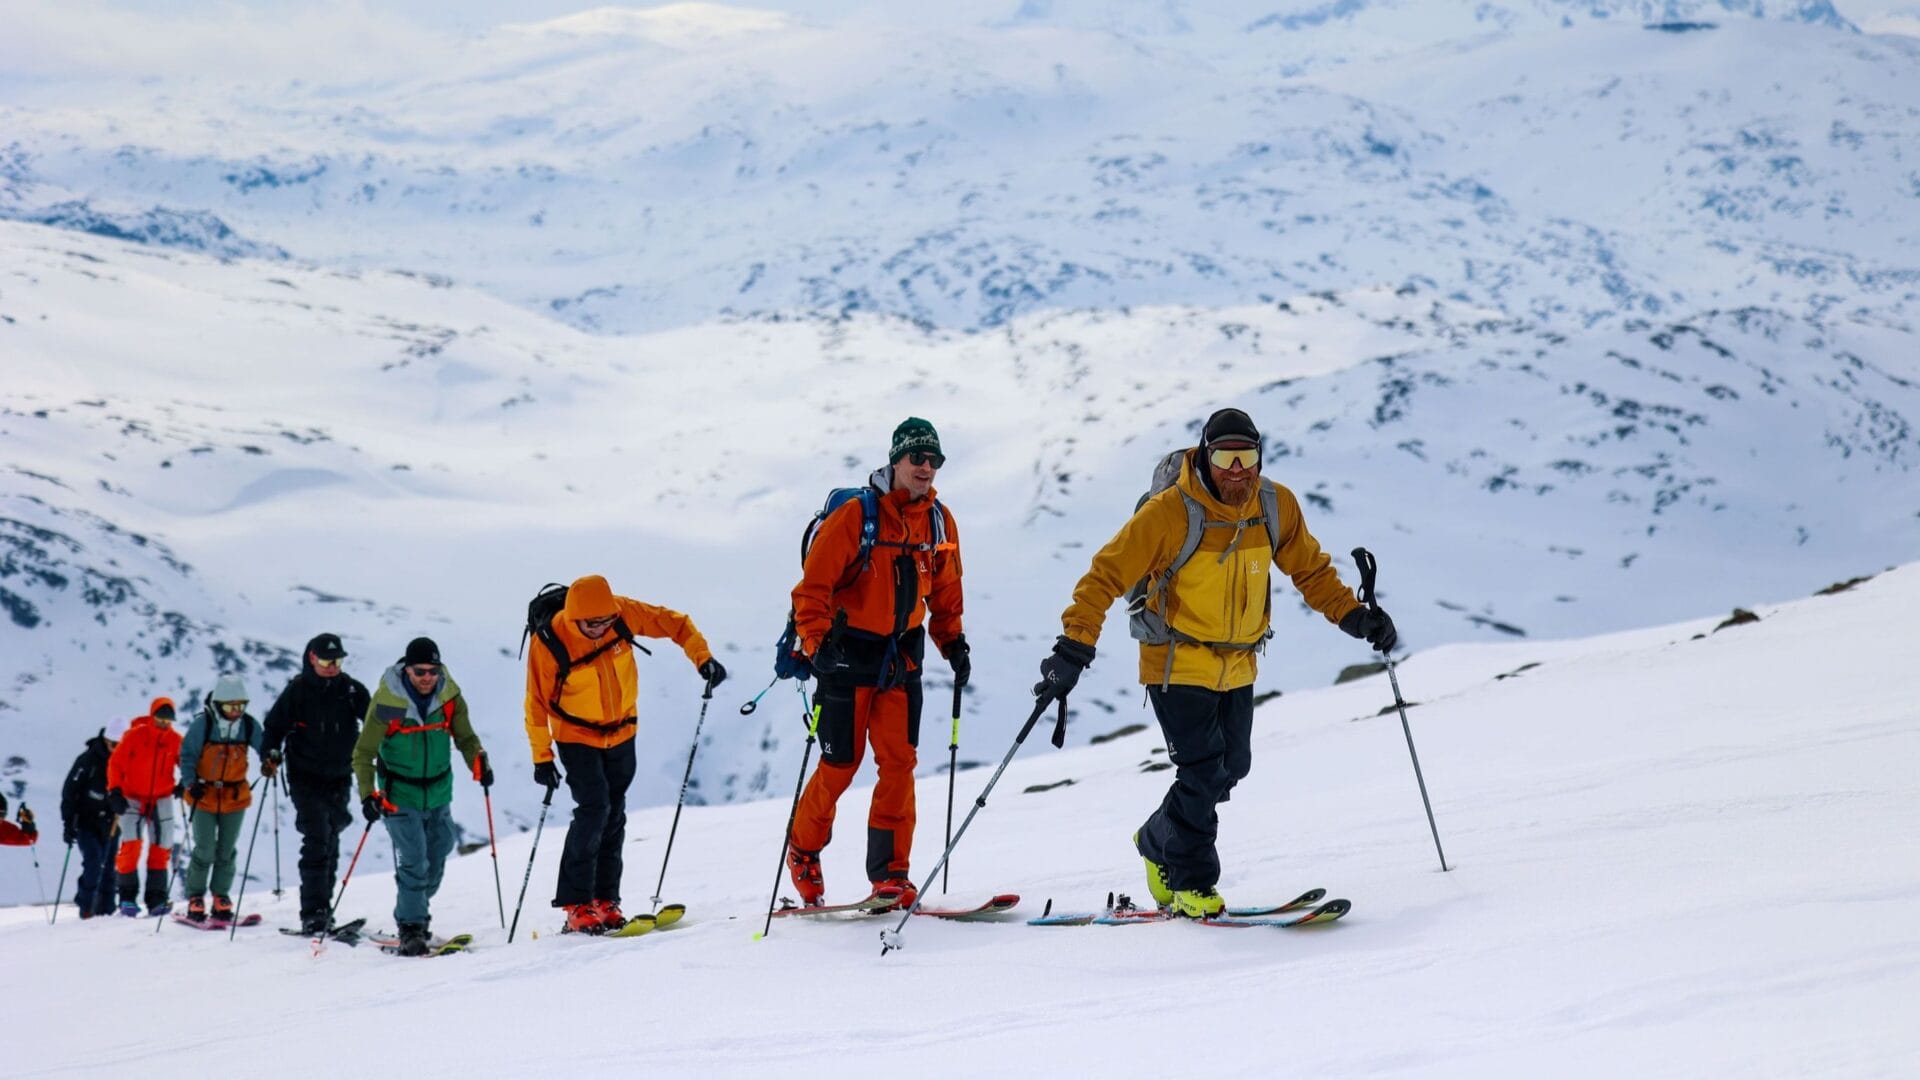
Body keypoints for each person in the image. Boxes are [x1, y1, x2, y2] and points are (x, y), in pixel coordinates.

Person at [1034, 407, 1396, 917]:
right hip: (1174, 659)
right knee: (1203, 770)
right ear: (1206, 457)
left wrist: (1354, 617)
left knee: (1232, 767)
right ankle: (1193, 884)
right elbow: (1105, 575)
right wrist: (1075, 644)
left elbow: (1311, 572)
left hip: (1238, 662)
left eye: (1246, 456)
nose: (1237, 470)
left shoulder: (1275, 506)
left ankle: (1156, 839)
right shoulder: (1169, 513)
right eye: (1225, 457)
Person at [784, 417, 966, 910]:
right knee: (840, 765)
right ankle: (803, 848)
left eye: (934, 459)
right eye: (917, 458)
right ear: (896, 460)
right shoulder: (856, 516)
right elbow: (812, 589)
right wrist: (816, 643)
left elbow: (946, 591)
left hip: (902, 657)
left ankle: (890, 875)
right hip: (845, 656)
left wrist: (953, 642)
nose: (926, 467)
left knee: (899, 764)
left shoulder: (939, 521)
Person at [524, 574, 725, 934]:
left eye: (606, 621)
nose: (601, 628)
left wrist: (703, 658)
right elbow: (536, 704)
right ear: (574, 617)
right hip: (576, 736)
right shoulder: (550, 642)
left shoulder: (622, 613)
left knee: (614, 811)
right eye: (593, 624)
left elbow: (675, 623)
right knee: (594, 809)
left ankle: (605, 900)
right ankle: (576, 903)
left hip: (622, 730)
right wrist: (543, 757)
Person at [354, 637, 489, 956]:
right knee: (415, 860)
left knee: (440, 851)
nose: (427, 677)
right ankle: (411, 927)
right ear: (407, 670)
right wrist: (367, 794)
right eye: (420, 671)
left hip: (439, 792)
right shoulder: (389, 702)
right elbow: (364, 752)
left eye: (433, 670)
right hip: (399, 795)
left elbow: (466, 737)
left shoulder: (449, 697)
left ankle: (413, 908)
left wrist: (479, 761)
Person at [262, 633, 370, 935]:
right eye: (326, 661)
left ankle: (323, 909)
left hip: (340, 776)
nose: (333, 666)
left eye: (338, 661)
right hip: (304, 777)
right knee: (317, 838)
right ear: (312, 658)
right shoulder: (297, 691)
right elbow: (273, 729)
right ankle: (313, 913)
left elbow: (375, 722)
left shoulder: (351, 690)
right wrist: (270, 754)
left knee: (331, 838)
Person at [178, 675, 267, 923]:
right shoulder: (203, 725)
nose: (236, 711)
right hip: (204, 795)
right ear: (218, 705)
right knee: (205, 848)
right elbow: (187, 756)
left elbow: (264, 747)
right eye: (230, 706)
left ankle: (221, 896)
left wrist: (270, 759)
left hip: (234, 796)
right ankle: (196, 896)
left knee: (227, 849)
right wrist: (190, 783)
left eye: (240, 706)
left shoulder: (248, 725)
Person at [106, 697, 185, 915]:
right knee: (131, 846)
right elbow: (116, 764)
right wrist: (115, 791)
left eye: (168, 721)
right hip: (132, 797)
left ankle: (157, 898)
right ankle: (127, 898)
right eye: (160, 719)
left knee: (161, 847)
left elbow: (187, 762)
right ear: (152, 716)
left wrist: (185, 783)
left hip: (162, 797)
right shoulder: (134, 736)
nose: (164, 724)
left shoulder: (175, 740)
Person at [59, 720, 124, 917]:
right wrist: (68, 823)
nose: (117, 749)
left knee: (109, 866)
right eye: (114, 744)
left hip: (111, 822)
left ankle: (107, 909)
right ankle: (86, 906)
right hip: (86, 821)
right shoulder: (87, 761)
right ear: (105, 740)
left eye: (121, 745)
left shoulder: (126, 761)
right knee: (94, 862)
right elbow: (70, 791)